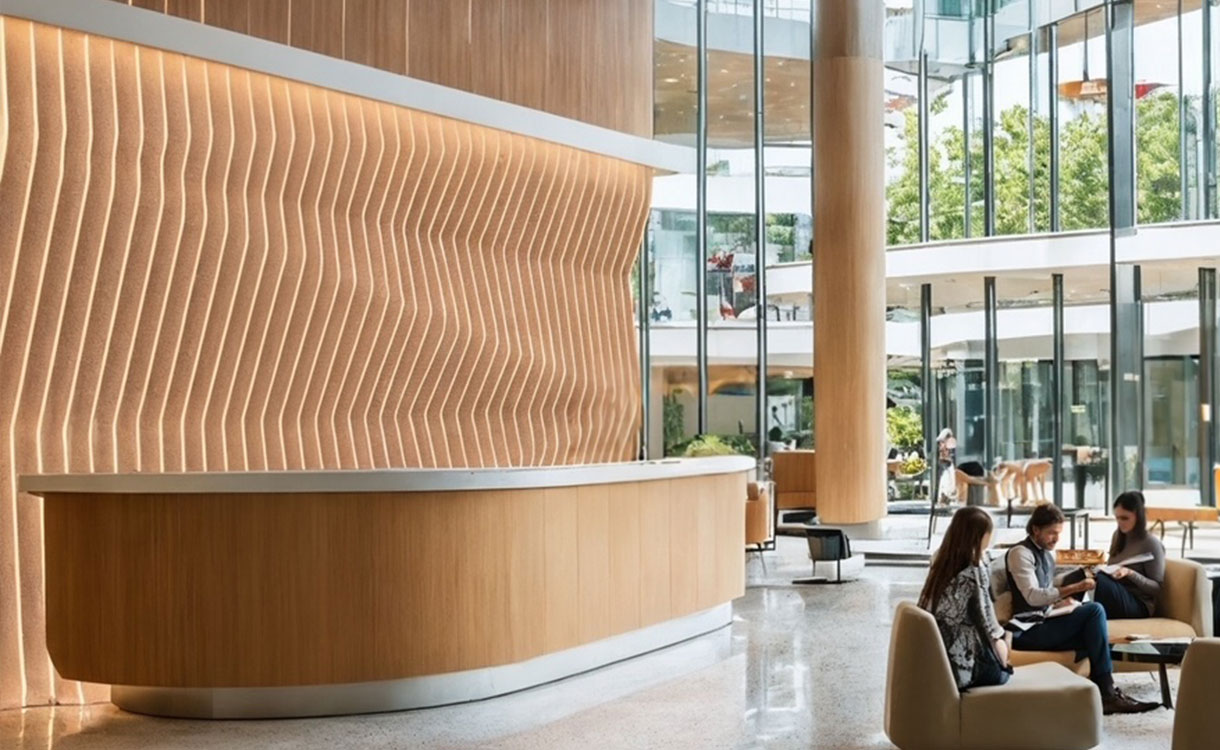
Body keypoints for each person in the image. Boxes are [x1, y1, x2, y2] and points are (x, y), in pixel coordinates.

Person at [1006, 504, 1159, 714]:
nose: (1056, 539)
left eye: (1058, 533)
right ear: (1035, 530)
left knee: (1094, 628)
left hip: (1043, 620)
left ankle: (1105, 691)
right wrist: (1075, 588)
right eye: (1051, 533)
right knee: (1094, 612)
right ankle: (1107, 693)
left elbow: (1045, 595)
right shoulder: (1020, 553)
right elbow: (1032, 596)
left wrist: (1061, 604)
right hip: (1026, 629)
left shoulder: (1046, 556)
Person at [919, 507, 1011, 690]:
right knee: (1004, 644)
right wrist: (1004, 641)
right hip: (966, 667)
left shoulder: (940, 560)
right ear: (980, 536)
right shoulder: (975, 571)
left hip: (939, 657)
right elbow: (988, 624)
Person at [1094, 491, 1164, 620]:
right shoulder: (1118, 536)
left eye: (1125, 518)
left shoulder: (1150, 543)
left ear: (1138, 516)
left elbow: (1157, 589)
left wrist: (1130, 573)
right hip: (1117, 594)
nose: (1120, 523)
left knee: (1100, 580)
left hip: (1139, 605)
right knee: (1083, 575)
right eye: (1117, 518)